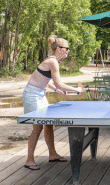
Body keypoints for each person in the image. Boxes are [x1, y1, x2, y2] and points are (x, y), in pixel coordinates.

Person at [22, 35, 85, 170]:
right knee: (37, 128)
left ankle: (52, 154)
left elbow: (44, 80)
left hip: (39, 93)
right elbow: (59, 83)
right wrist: (77, 90)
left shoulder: (53, 61)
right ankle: (29, 160)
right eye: (66, 48)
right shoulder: (52, 61)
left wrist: (56, 89)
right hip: (32, 95)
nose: (68, 51)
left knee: (48, 124)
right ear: (58, 49)